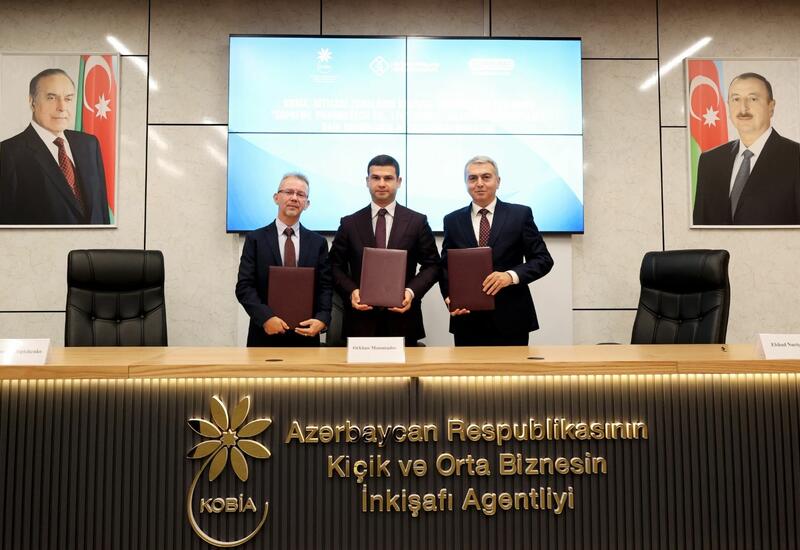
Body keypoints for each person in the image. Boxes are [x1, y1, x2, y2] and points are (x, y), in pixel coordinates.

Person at [440, 155, 553, 346]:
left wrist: (510, 276)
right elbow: (445, 266)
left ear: (498, 181)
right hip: (467, 318)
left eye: (486, 177)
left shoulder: (520, 215)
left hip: (511, 317)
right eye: (472, 178)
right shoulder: (452, 220)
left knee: (512, 367)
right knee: (467, 367)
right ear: (466, 183)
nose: (479, 183)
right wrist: (449, 297)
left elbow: (543, 259)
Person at [329, 154, 440, 346]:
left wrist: (411, 292)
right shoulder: (349, 223)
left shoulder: (417, 222)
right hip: (360, 323)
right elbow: (333, 266)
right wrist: (352, 291)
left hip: (403, 321)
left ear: (399, 181)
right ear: (367, 181)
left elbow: (433, 265)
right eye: (376, 178)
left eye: (388, 178)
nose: (381, 183)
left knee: (404, 369)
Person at [0, 68, 110, 224]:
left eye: (68, 99)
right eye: (51, 98)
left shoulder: (89, 144)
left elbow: (102, 211)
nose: (62, 107)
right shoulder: (8, 153)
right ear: (32, 102)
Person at [236, 173, 332, 347]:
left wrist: (322, 319)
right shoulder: (255, 239)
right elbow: (244, 286)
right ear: (276, 198)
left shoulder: (318, 243)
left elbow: (325, 286)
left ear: (307, 204)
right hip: (264, 335)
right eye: (288, 192)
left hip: (306, 336)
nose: (294, 198)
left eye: (300, 194)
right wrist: (266, 318)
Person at [693, 72, 800, 225]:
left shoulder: (795, 157)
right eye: (736, 99)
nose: (743, 108)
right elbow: (700, 227)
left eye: (753, 99)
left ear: (771, 107)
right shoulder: (709, 161)